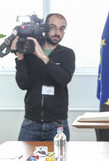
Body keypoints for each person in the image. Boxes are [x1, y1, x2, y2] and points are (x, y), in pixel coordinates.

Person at [14, 13, 75, 141]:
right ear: (44, 28)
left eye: (62, 29)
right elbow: (23, 84)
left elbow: (64, 78)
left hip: (58, 124)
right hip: (31, 122)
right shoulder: (29, 53)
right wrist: (20, 57)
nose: (57, 32)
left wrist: (42, 56)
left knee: (59, 160)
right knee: (24, 160)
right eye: (53, 27)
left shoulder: (67, 54)